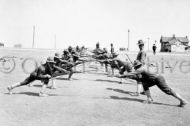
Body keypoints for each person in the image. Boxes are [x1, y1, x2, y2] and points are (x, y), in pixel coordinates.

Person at [116, 60, 187, 107]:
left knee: (168, 91)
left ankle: (182, 100)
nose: (135, 68)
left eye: (135, 67)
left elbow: (132, 73)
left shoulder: (140, 69)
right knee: (145, 85)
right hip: (154, 78)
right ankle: (149, 99)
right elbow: (139, 77)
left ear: (137, 66)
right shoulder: (144, 66)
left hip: (158, 79)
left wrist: (122, 75)